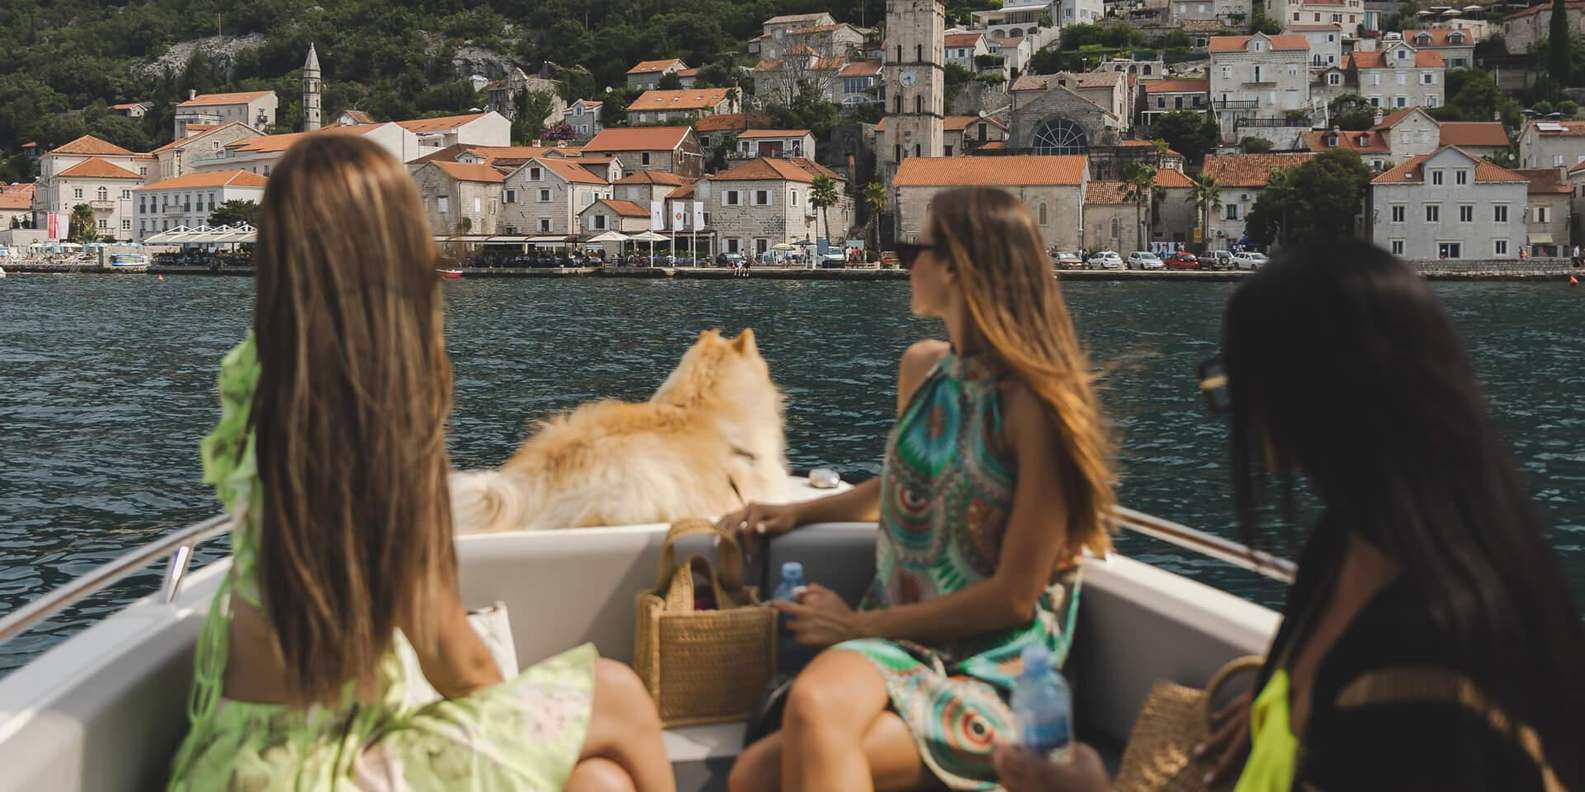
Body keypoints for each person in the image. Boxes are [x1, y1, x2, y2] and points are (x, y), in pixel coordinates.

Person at [167, 136, 674, 792]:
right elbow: (448, 655)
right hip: (324, 769)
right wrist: (515, 715)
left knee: (599, 783)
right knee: (617, 693)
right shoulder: (373, 423)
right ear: (396, 252)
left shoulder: (261, 387)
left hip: (238, 759)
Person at [995, 240, 1585, 791]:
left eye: (1240, 375)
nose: (1231, 402)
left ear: (1316, 388)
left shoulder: (1421, 681)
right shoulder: (1354, 544)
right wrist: (1272, 708)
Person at [721, 186, 1116, 792]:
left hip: (995, 665)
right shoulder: (924, 369)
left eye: (914, 250)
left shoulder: (1035, 406)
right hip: (902, 641)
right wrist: (798, 514)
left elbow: (1014, 599)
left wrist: (856, 627)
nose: (905, 263)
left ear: (955, 266)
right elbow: (912, 486)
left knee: (801, 723)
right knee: (758, 771)